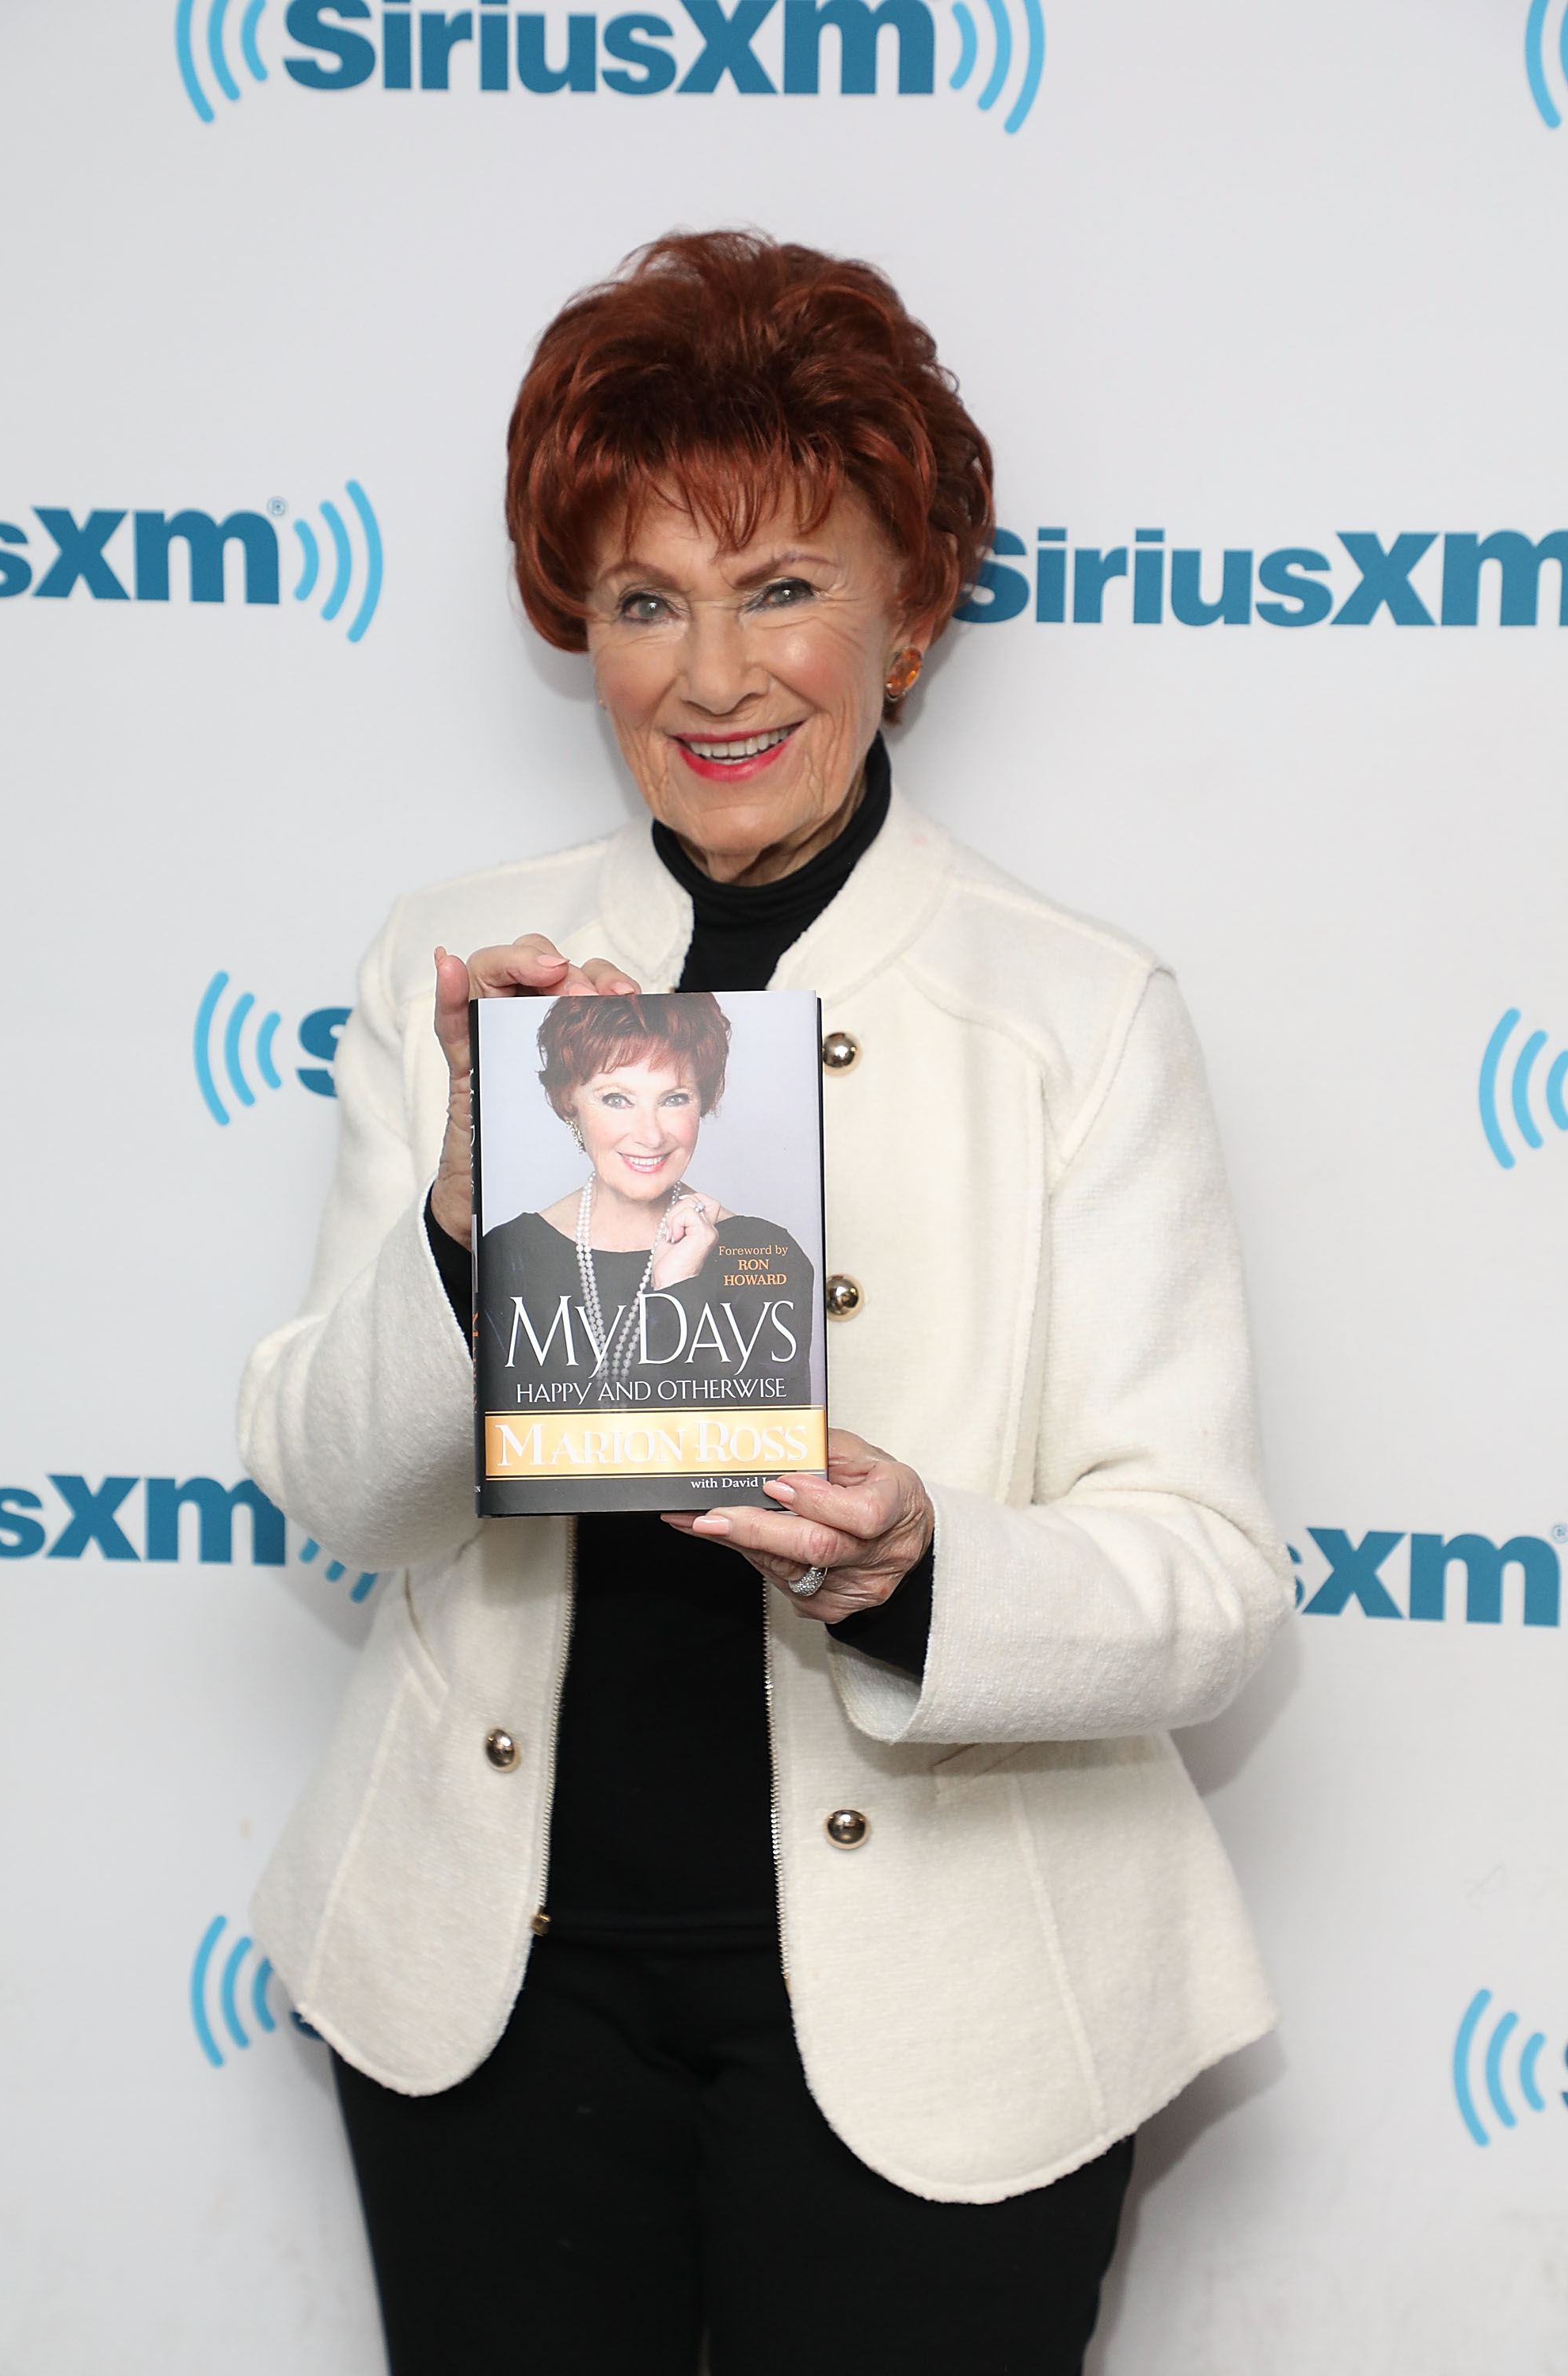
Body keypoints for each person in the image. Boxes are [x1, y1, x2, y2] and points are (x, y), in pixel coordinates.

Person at [239, 230, 1292, 2376]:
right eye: (645, 600)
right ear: (582, 632)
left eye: (783, 586)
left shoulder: (1076, 1013)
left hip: (957, 2007)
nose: (714, 677)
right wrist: (464, 1213)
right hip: (496, 1998)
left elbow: (1213, 1587)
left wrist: (929, 1567)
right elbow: (344, 1497)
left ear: (912, 614)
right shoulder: (453, 973)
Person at [478, 989, 816, 1415]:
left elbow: (757, 1460)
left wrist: (677, 1289)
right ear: (568, 1102)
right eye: (616, 1099)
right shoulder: (508, 1256)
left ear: (703, 1101)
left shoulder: (767, 1255)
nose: (650, 1135)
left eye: (675, 1099)